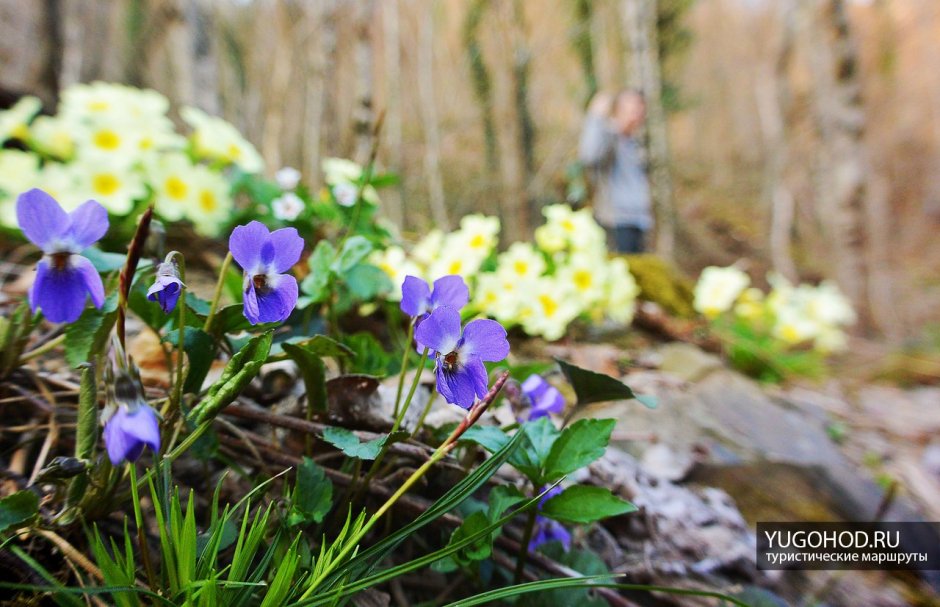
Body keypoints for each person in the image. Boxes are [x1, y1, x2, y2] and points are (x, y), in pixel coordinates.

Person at [578, 89, 652, 254]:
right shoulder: (608, 137)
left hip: (639, 220)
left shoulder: (636, 143)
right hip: (616, 220)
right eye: (632, 107)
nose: (637, 113)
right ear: (618, 109)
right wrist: (595, 117)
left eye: (640, 108)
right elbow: (588, 156)